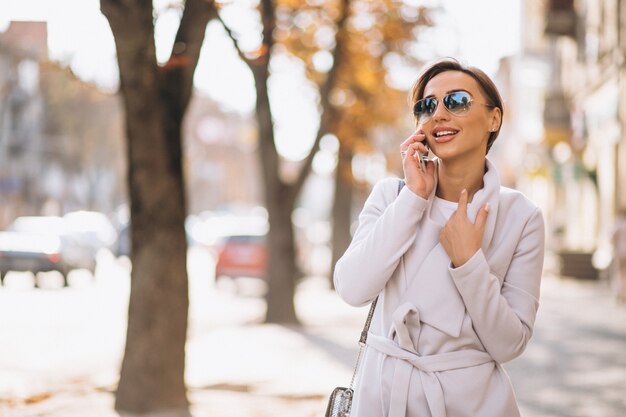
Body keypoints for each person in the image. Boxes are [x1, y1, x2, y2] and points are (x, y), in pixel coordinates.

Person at [333, 58, 545, 417]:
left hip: (471, 404)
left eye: (457, 101)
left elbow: (509, 344)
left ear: (494, 119)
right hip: (383, 398)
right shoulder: (391, 196)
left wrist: (469, 263)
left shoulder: (522, 217)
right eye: (427, 106)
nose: (439, 113)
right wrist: (414, 199)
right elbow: (352, 288)